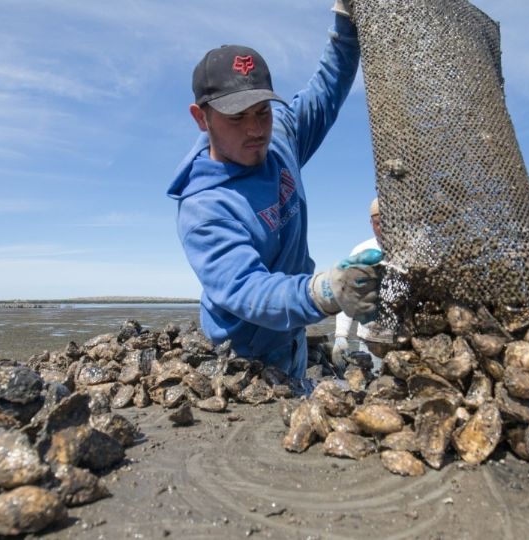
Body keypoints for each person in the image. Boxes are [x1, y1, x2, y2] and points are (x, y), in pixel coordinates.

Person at [167, 1, 381, 380]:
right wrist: (325, 291)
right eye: (237, 118)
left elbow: (328, 87)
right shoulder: (204, 207)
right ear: (202, 118)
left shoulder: (279, 136)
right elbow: (249, 290)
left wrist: (346, 24)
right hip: (244, 355)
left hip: (292, 330)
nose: (256, 129)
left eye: (262, 111)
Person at [332, 198, 395, 373]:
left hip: (405, 341)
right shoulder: (362, 251)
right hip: (370, 341)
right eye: (377, 223)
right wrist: (341, 335)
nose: (383, 227)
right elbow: (347, 295)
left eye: (388, 221)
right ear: (371, 223)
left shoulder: (415, 248)